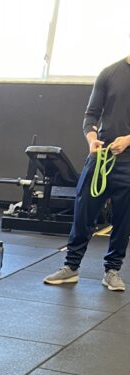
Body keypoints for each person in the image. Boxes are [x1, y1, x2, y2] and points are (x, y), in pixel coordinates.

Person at [43, 52, 130, 292]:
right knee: (83, 213)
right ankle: (71, 267)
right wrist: (92, 140)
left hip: (128, 163)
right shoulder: (109, 73)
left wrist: (128, 140)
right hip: (100, 158)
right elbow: (91, 115)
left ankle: (112, 271)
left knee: (123, 220)